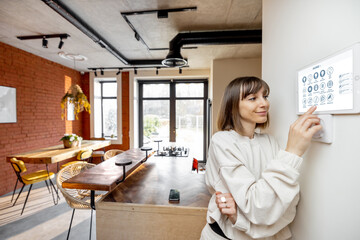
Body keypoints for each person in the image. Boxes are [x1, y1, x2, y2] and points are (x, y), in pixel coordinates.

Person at [200, 76, 322, 240]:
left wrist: (240, 219)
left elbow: (288, 205)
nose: (264, 103)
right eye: (252, 98)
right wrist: (292, 151)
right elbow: (260, 207)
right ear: (232, 107)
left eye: (265, 96)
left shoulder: (270, 141)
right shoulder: (222, 141)